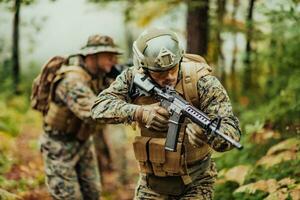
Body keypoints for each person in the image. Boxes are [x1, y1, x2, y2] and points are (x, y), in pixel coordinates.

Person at [91, 28, 241, 200]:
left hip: (196, 181)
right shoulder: (132, 78)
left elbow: (230, 131)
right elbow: (98, 108)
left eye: (173, 68)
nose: (169, 76)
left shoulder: (202, 81)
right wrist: (140, 112)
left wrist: (206, 133)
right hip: (151, 184)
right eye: (160, 73)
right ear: (144, 69)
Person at [36, 34, 122, 200]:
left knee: (93, 194)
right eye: (108, 55)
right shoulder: (72, 81)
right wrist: (136, 112)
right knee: (68, 197)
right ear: (92, 56)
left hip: (83, 142)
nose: (113, 60)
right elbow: (94, 113)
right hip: (59, 146)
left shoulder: (100, 78)